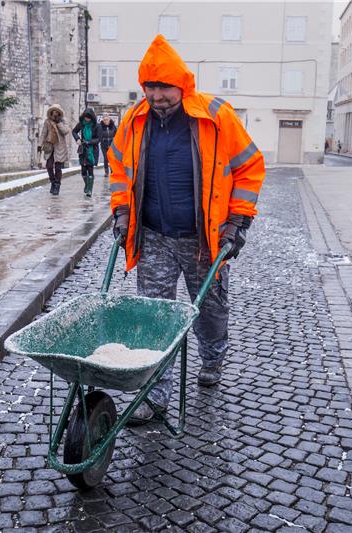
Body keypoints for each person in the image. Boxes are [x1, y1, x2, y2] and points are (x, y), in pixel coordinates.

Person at [108, 35, 265, 424]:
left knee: (210, 310)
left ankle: (212, 358)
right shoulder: (134, 119)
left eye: (165, 87)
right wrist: (122, 212)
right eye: (151, 87)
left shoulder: (215, 115)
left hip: (203, 240)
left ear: (183, 84)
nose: (157, 96)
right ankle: (155, 395)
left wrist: (238, 220)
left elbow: (249, 165)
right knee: (154, 318)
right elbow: (119, 168)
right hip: (155, 236)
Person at [38, 105, 70, 195]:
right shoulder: (47, 121)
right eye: (53, 111)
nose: (55, 113)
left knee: (58, 167)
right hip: (50, 146)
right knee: (49, 166)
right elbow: (43, 133)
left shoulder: (63, 121)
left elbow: (66, 131)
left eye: (57, 111)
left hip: (60, 147)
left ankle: (57, 185)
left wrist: (59, 123)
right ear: (51, 112)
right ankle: (53, 181)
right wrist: (39, 145)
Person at [72, 108, 100, 197]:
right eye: (86, 117)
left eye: (89, 118)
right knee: (83, 171)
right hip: (83, 150)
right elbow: (74, 131)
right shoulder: (81, 124)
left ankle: (89, 190)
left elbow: (98, 139)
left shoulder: (96, 126)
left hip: (92, 151)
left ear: (92, 118)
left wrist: (89, 142)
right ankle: (87, 185)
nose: (87, 119)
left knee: (90, 170)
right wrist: (77, 139)